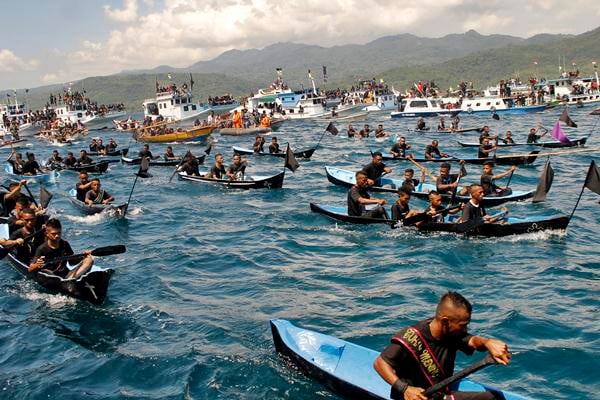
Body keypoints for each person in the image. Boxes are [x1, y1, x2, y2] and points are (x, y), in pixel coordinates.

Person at [374, 291, 511, 400]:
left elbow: (473, 342)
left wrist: (488, 343)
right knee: (493, 398)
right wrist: (405, 389)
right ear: (445, 322)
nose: (466, 330)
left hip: (439, 393)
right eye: (463, 326)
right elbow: (380, 364)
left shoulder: (451, 334)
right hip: (418, 397)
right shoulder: (411, 337)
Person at [28, 218, 94, 279]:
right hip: (51, 277)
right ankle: (68, 282)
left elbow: (72, 262)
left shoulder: (65, 244)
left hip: (66, 276)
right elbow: (30, 269)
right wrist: (37, 265)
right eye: (53, 234)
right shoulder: (41, 249)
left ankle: (70, 280)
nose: (57, 236)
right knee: (47, 271)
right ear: (47, 234)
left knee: (88, 260)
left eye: (59, 233)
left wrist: (83, 255)